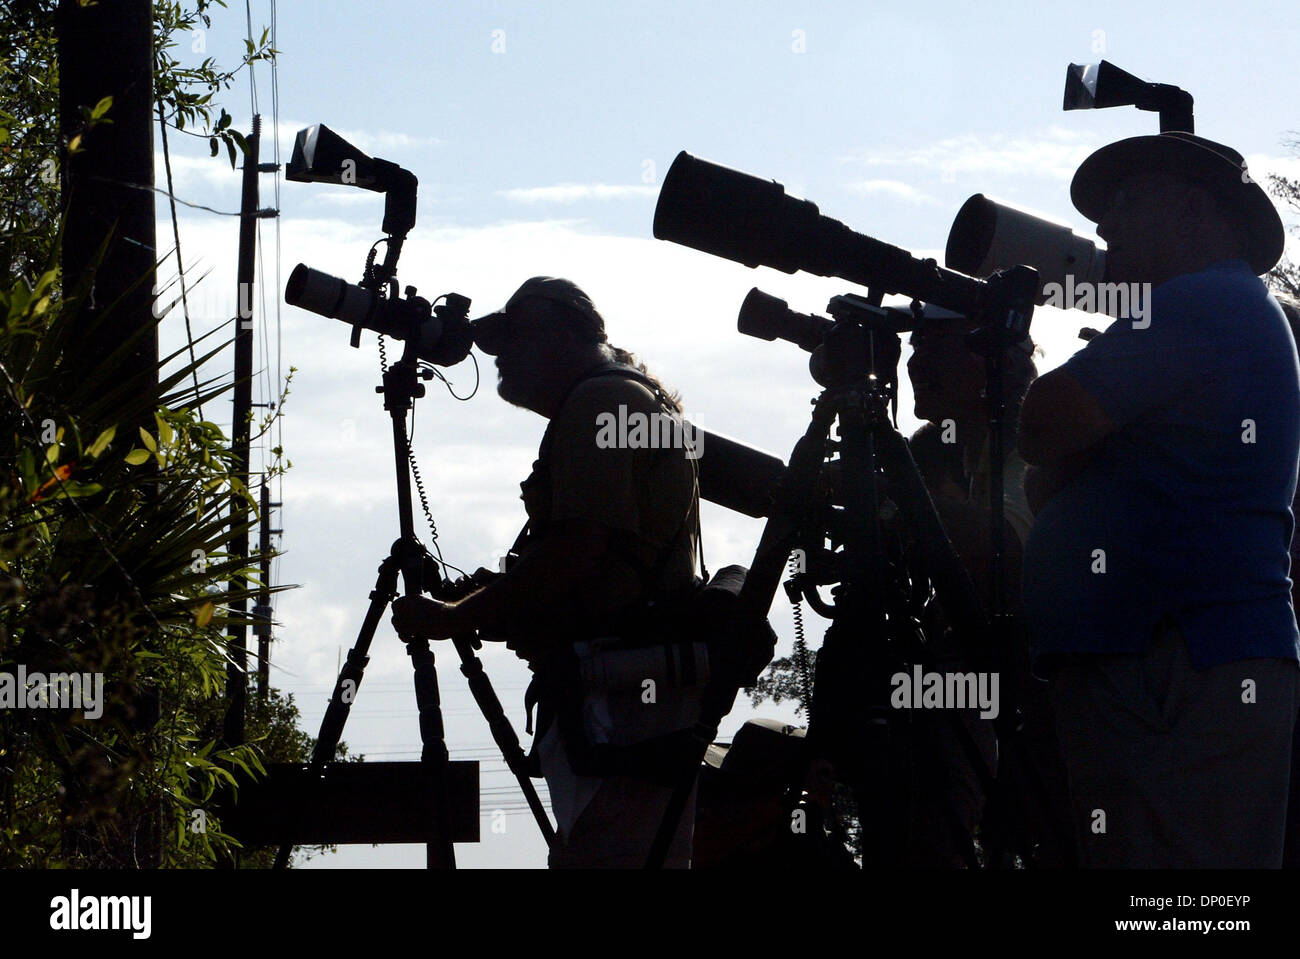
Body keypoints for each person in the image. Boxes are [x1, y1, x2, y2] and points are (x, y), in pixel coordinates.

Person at [1018, 132, 1300, 867]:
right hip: (1168, 665)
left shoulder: (1200, 301)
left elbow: (1045, 424)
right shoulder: (1209, 309)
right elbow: (1046, 467)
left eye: (1125, 202)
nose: (1105, 228)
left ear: (1189, 210)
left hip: (1176, 668)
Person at [391, 277, 705, 867]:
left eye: (517, 336)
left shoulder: (597, 403)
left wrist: (456, 617)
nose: (501, 354)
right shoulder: (629, 394)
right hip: (637, 692)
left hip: (620, 703)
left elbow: (576, 552)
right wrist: (488, 595)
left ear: (562, 336)